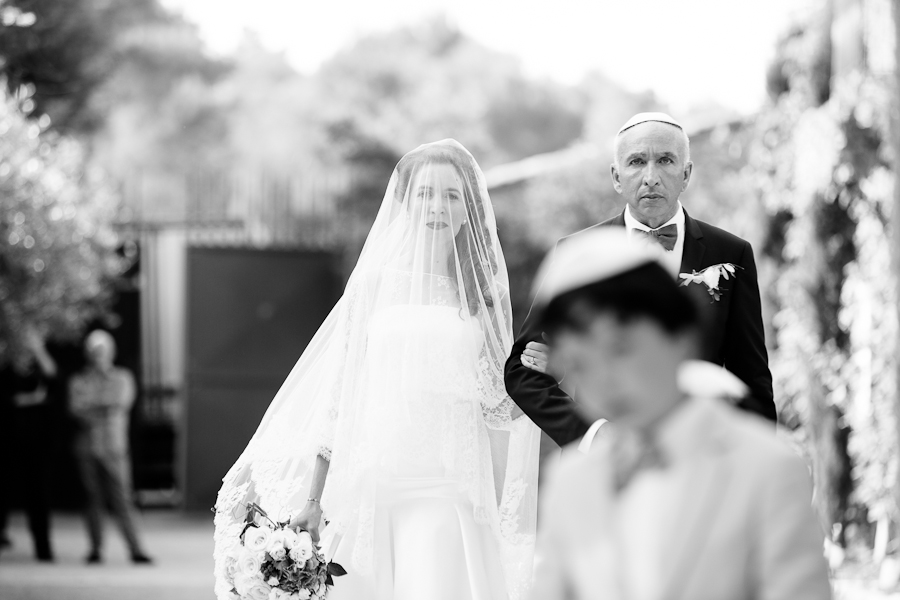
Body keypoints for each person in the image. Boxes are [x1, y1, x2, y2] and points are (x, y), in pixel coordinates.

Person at [212, 140, 541, 600]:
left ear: (469, 209)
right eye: (426, 193)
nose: (438, 207)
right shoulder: (372, 286)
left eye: (452, 195)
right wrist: (313, 499)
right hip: (373, 485)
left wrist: (542, 375)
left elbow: (497, 406)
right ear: (406, 202)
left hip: (449, 486)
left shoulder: (480, 295)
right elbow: (338, 395)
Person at [525, 228, 831, 600]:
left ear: (683, 337)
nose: (603, 381)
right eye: (580, 364)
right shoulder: (571, 478)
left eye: (620, 349)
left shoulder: (768, 470)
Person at [505, 112, 775, 449]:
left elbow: (751, 377)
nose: (651, 177)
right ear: (617, 177)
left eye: (665, 160)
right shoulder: (577, 254)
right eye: (636, 161)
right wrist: (591, 432)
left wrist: (755, 458)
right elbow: (522, 372)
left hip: (703, 454)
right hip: (606, 466)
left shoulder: (731, 254)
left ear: (686, 173)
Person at [69, 329, 152, 564]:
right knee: (92, 498)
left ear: (111, 352)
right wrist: (103, 407)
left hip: (114, 448)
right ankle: (95, 549)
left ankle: (136, 549)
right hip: (87, 448)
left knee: (123, 499)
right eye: (94, 351)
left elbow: (119, 402)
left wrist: (93, 405)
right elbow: (76, 408)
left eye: (102, 351)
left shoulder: (122, 377)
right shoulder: (79, 379)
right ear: (87, 353)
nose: (98, 356)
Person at [0, 327, 58, 562]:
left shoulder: (40, 368)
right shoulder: (6, 370)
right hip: (7, 442)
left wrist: (38, 347)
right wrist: (33, 399)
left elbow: (54, 379)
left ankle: (43, 547)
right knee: (2, 492)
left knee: (39, 496)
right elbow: (7, 400)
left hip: (37, 445)